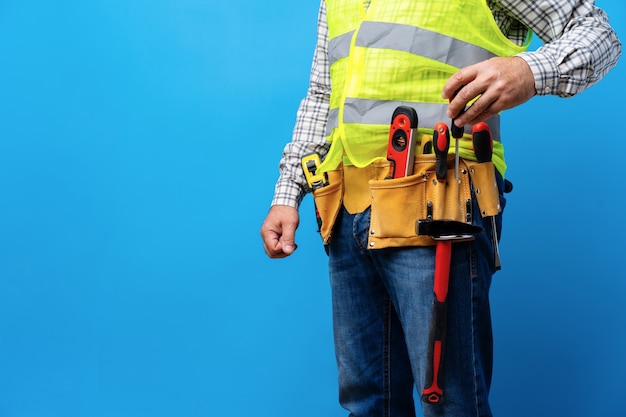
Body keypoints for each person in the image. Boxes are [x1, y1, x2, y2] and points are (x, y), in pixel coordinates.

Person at [260, 0, 620, 416]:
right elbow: (323, 93)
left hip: (439, 202)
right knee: (366, 402)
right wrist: (288, 192)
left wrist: (527, 71)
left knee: (448, 402)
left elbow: (597, 34)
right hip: (346, 207)